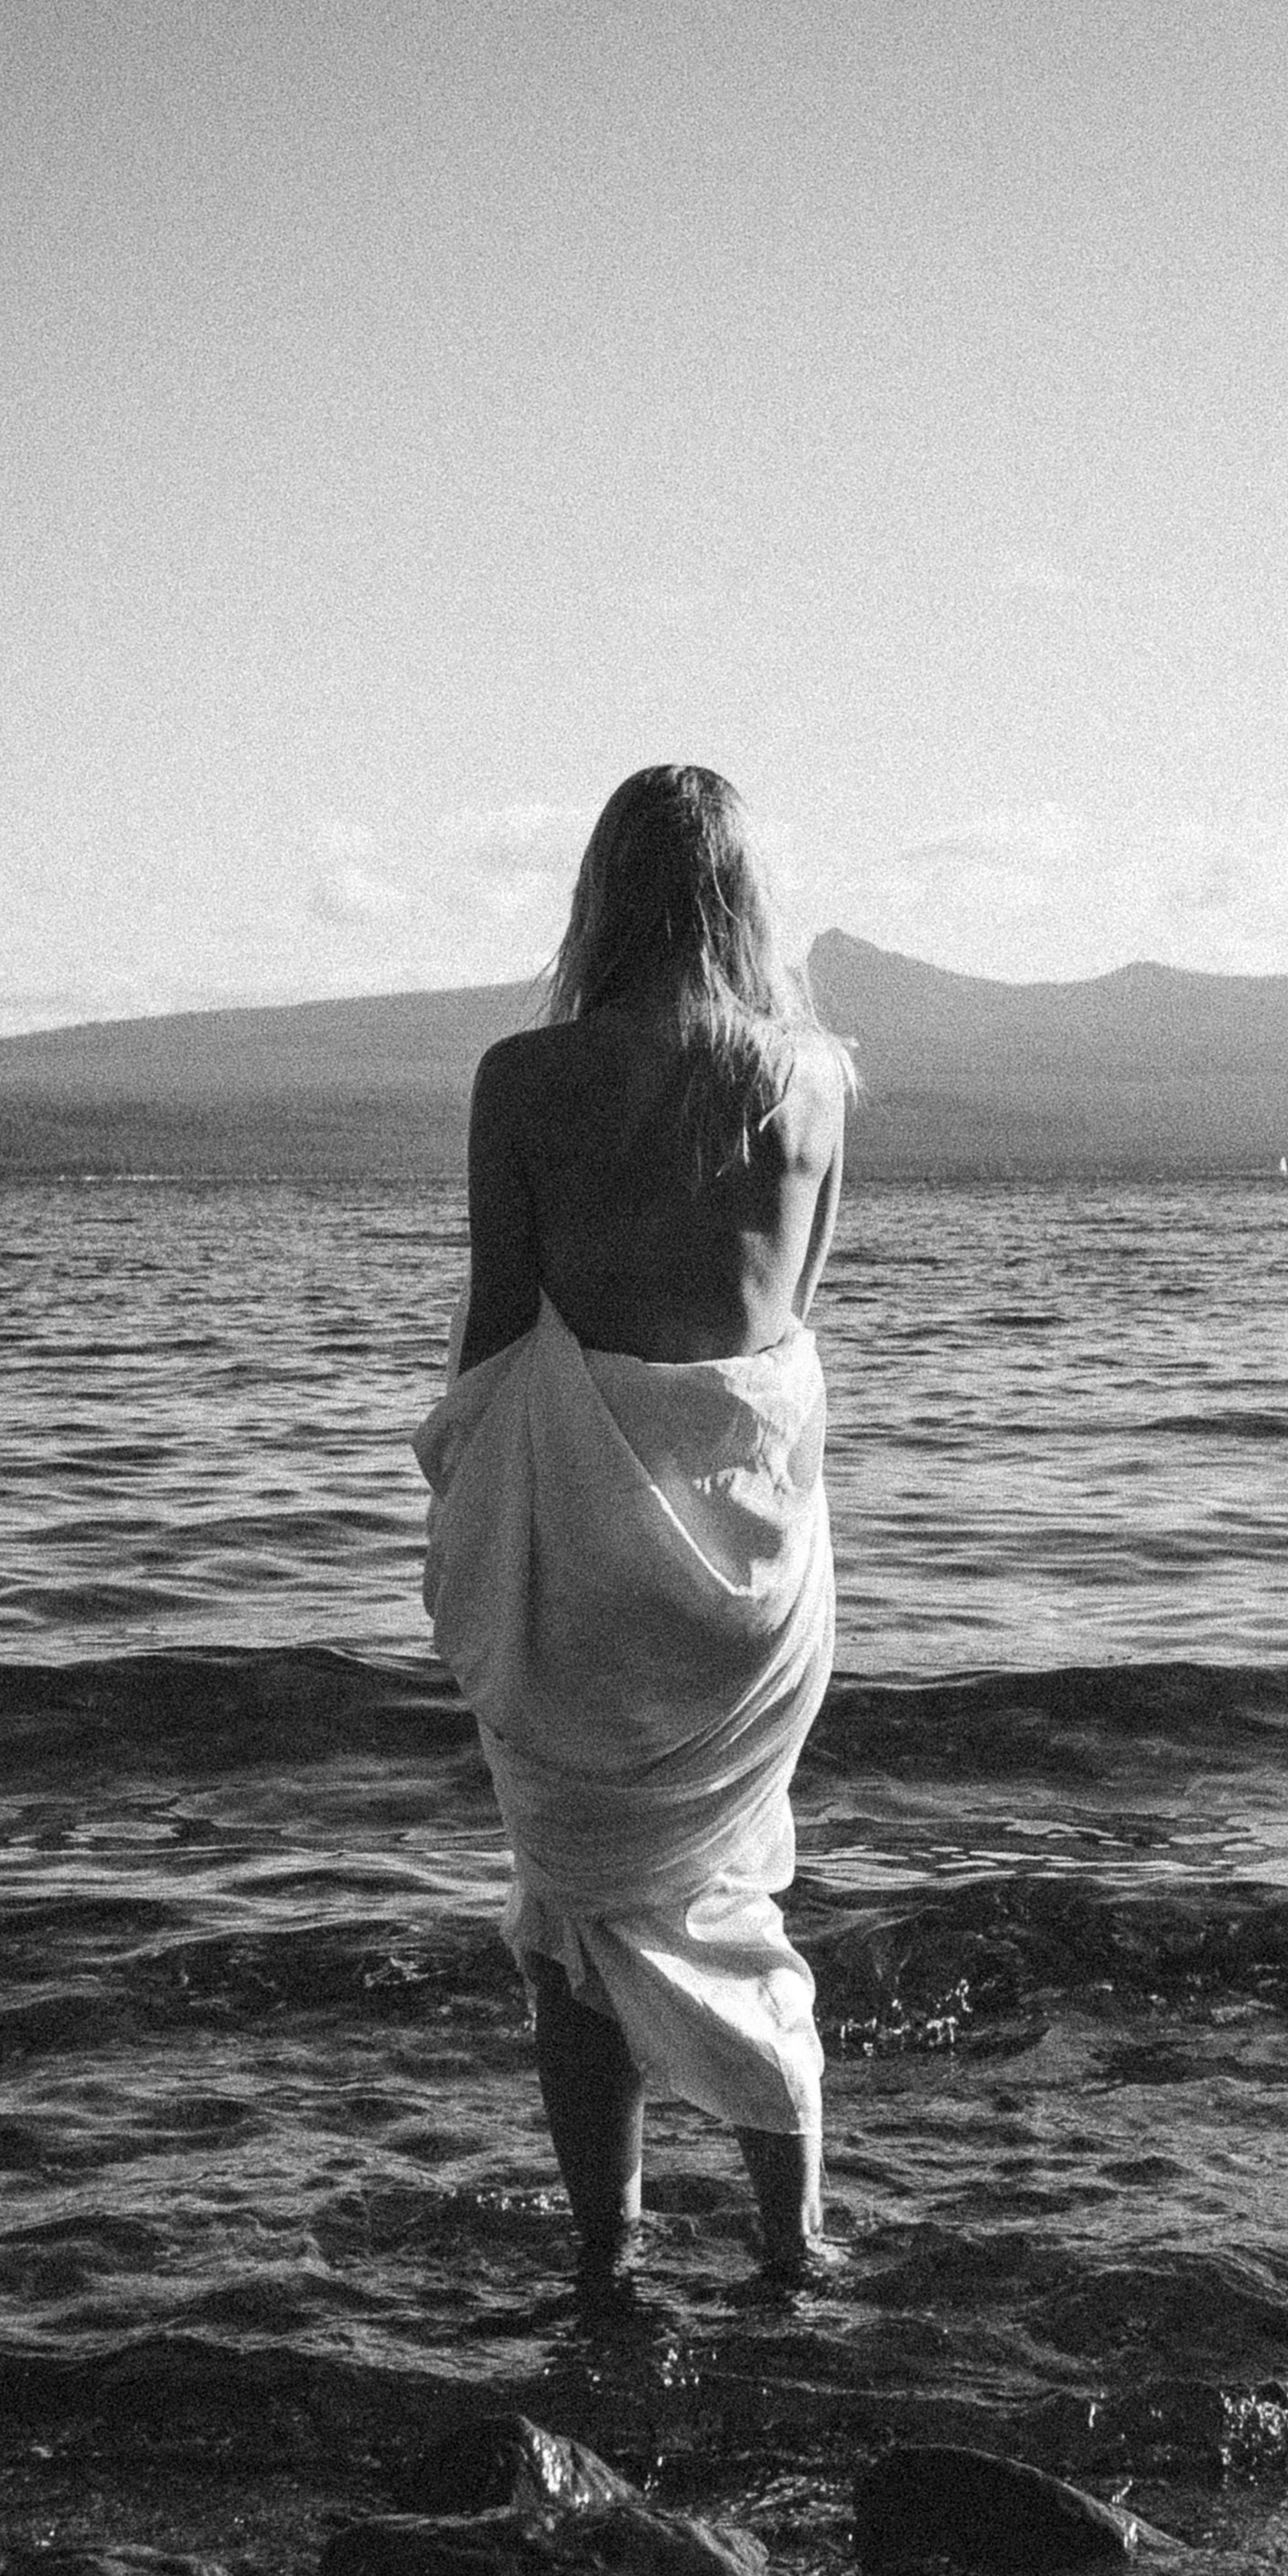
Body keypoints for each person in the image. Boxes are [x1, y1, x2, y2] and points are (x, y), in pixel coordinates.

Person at [413, 765, 851, 2311]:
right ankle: (794, 2241)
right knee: (729, 1893)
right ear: (748, 899)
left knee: (574, 1917)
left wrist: (471, 1519)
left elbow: (495, 1334)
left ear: (602, 894)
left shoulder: (525, 1080)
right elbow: (785, 1328)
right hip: (755, 1577)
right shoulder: (814, 1084)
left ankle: (606, 2254)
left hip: (587, 1557)